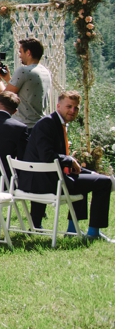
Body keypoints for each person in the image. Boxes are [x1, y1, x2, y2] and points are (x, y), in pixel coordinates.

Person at [19, 91, 111, 240]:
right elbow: (47, 156)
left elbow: (60, 159)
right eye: (69, 106)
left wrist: (89, 173)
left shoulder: (55, 123)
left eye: (76, 108)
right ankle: (93, 233)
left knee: (91, 179)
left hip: (46, 177)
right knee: (104, 183)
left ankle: (72, 230)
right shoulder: (47, 124)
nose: (72, 111)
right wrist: (69, 159)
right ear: (58, 106)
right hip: (43, 181)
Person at [0, 38, 53, 127]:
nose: (19, 56)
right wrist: (9, 79)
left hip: (21, 125)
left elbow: (4, 97)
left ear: (28, 52)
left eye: (21, 52)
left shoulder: (23, 71)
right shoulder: (46, 72)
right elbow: (27, 91)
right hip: (38, 125)